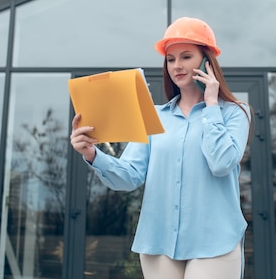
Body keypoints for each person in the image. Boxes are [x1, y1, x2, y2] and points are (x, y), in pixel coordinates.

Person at [70, 17, 252, 279]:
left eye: (186, 56)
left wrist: (212, 105)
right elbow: (130, 175)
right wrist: (91, 154)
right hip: (158, 241)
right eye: (170, 59)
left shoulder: (234, 112)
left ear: (207, 62)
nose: (176, 66)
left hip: (216, 241)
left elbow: (222, 163)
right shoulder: (155, 117)